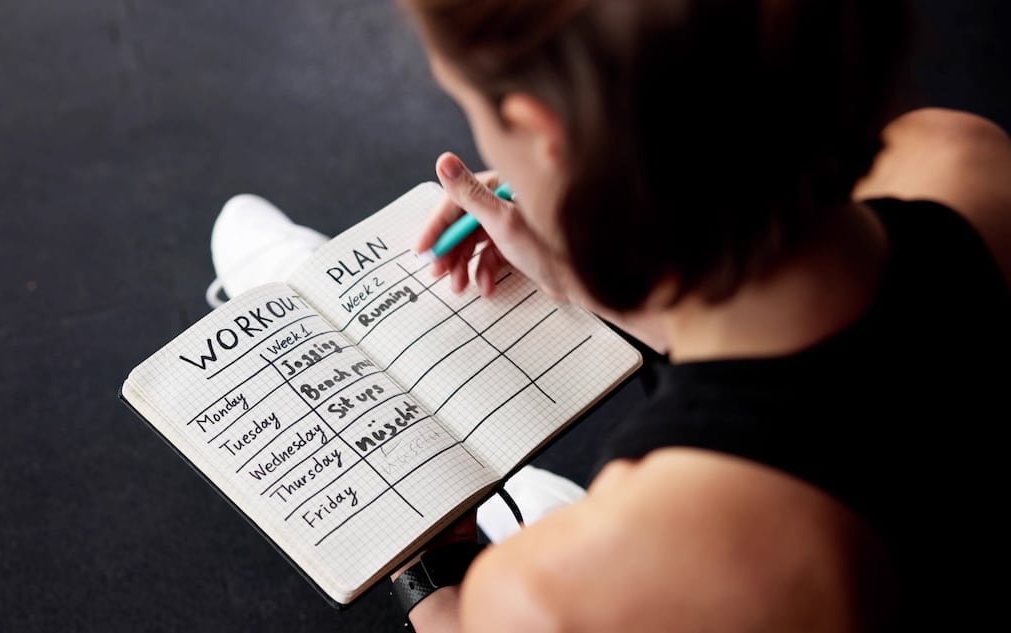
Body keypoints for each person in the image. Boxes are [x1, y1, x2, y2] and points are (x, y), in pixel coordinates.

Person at [207, 0, 1011, 630]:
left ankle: (291, 283)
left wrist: (428, 576)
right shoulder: (963, 159)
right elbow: (828, 382)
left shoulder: (563, 594)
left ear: (541, 132)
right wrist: (581, 274)